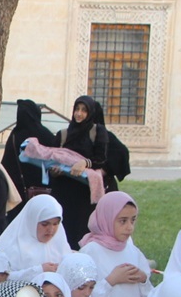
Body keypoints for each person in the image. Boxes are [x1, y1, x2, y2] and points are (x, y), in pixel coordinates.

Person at [48, 96, 130, 249]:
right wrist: (55, 171)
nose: (79, 114)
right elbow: (53, 159)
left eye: (84, 110)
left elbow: (106, 157)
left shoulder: (99, 133)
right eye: (77, 109)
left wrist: (94, 168)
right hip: (66, 192)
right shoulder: (64, 134)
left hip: (86, 195)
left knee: (83, 231)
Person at [80, 192, 153, 297]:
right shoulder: (90, 252)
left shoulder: (133, 252)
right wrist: (111, 281)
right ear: (106, 219)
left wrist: (143, 280)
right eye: (123, 221)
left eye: (133, 220)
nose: (130, 227)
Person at [0, 98, 58, 218]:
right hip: (43, 191)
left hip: (18, 193)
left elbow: (7, 165)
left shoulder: (14, 136)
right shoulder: (45, 134)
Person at [0, 195, 70, 285]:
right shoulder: (11, 246)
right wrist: (38, 271)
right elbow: (0, 279)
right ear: (32, 221)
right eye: (44, 224)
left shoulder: (60, 245)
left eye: (55, 224)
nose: (51, 230)